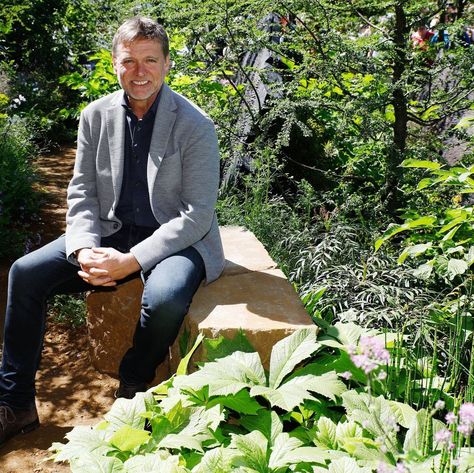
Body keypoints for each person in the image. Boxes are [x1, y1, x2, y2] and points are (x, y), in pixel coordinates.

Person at [0, 16, 224, 446]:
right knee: (24, 274)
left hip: (176, 239)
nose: (140, 72)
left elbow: (196, 215)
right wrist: (83, 248)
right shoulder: (95, 116)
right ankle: (16, 404)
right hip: (110, 232)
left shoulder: (196, 125)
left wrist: (132, 261)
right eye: (129, 61)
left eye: (150, 60)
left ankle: (133, 387)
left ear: (167, 63)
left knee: (165, 299)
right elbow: (82, 193)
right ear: (114, 64)